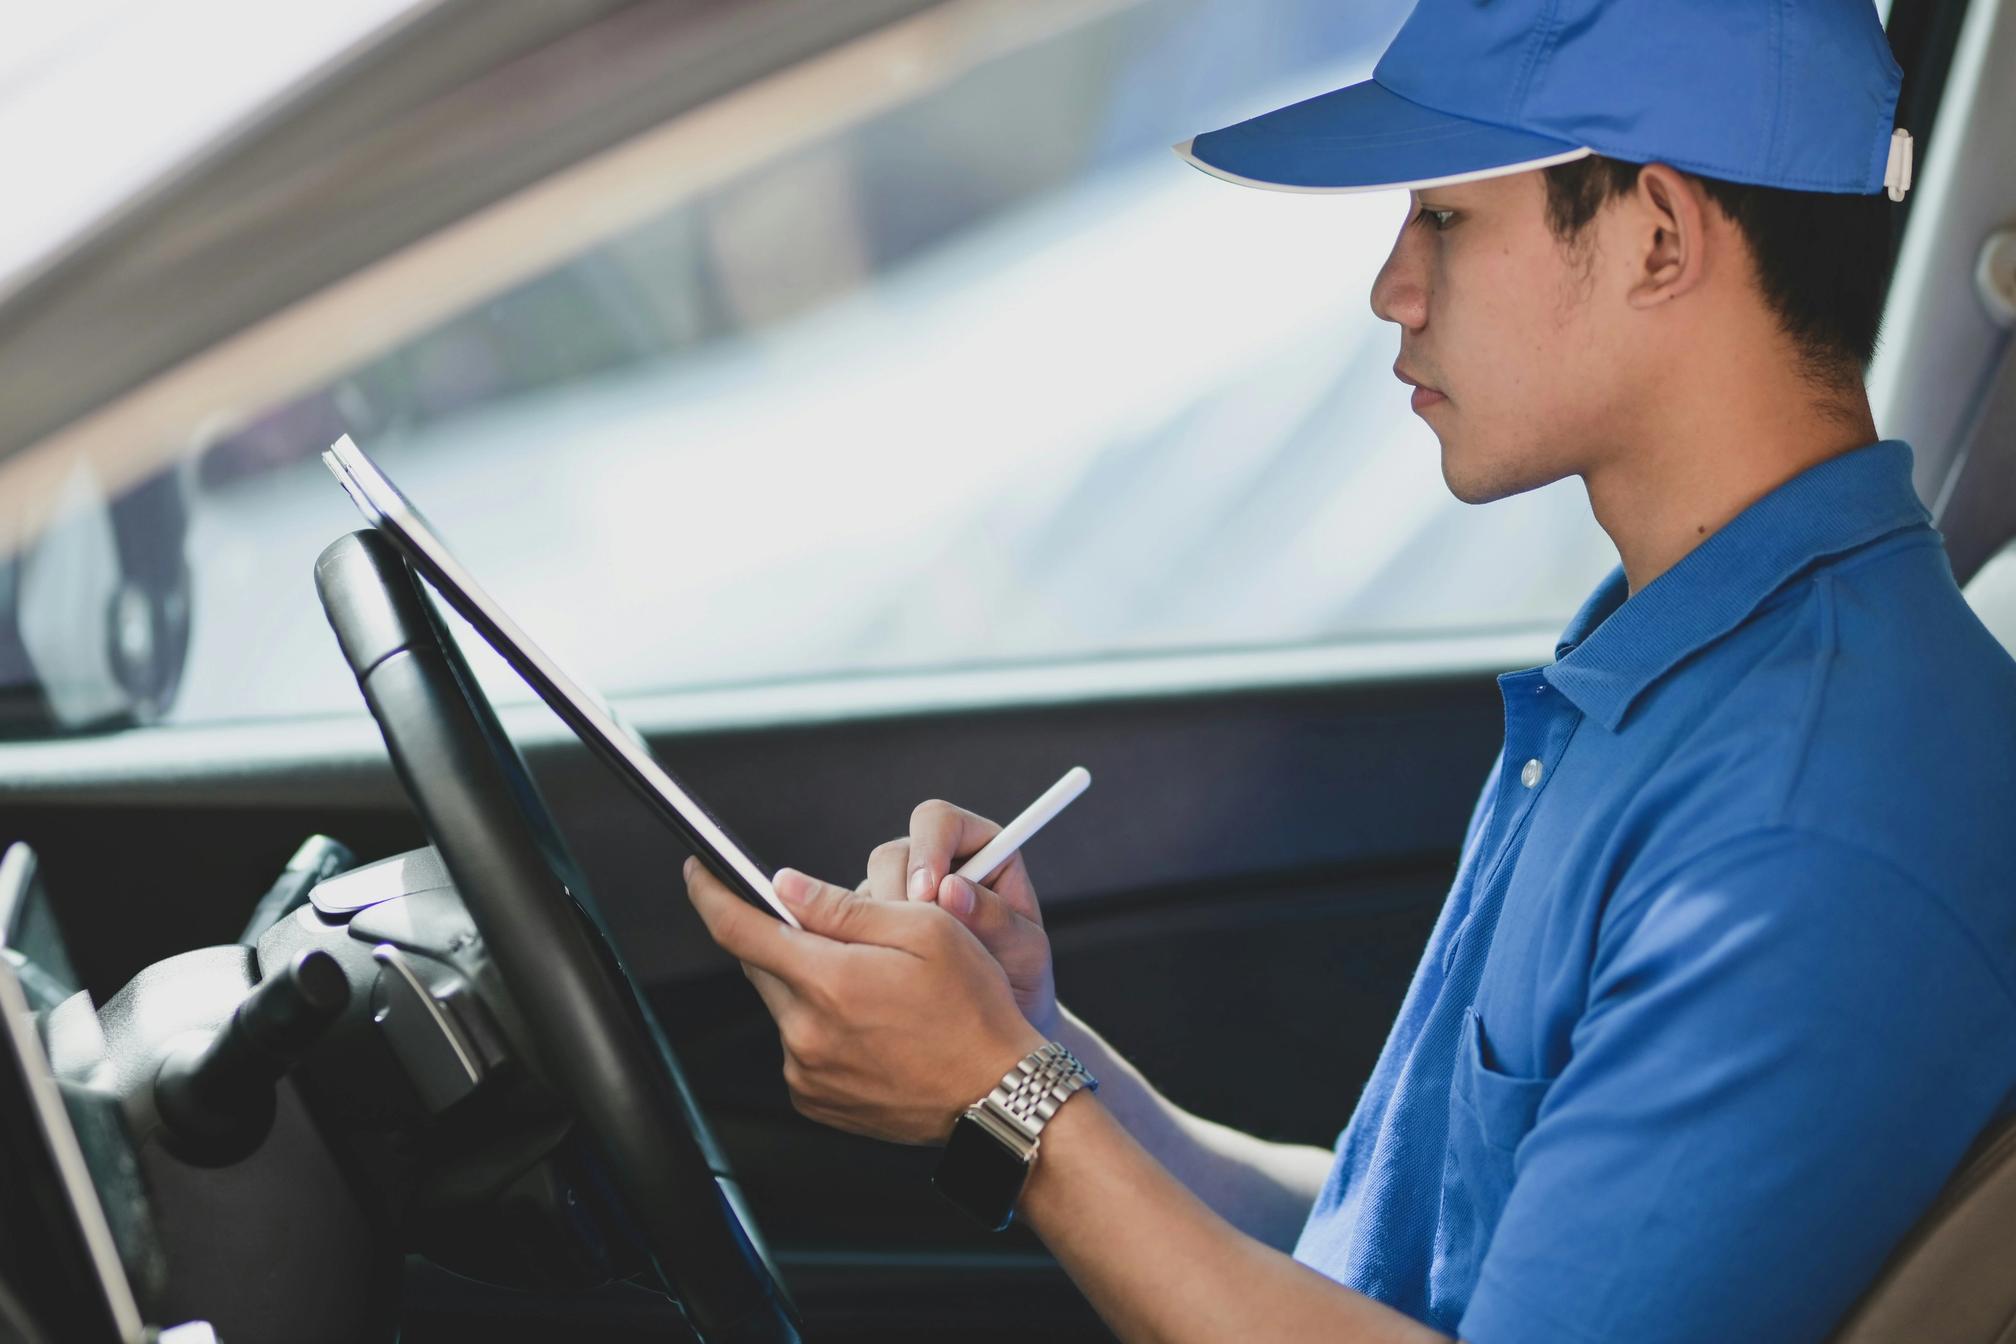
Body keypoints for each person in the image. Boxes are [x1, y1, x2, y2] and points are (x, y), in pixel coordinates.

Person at [684, 0, 2016, 1338]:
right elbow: (1392, 1255)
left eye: (1444, 216)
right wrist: (1025, 1049)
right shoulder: (1673, 662)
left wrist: (1001, 1102)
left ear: (1656, 239)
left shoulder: (1807, 819)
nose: (1393, 286)